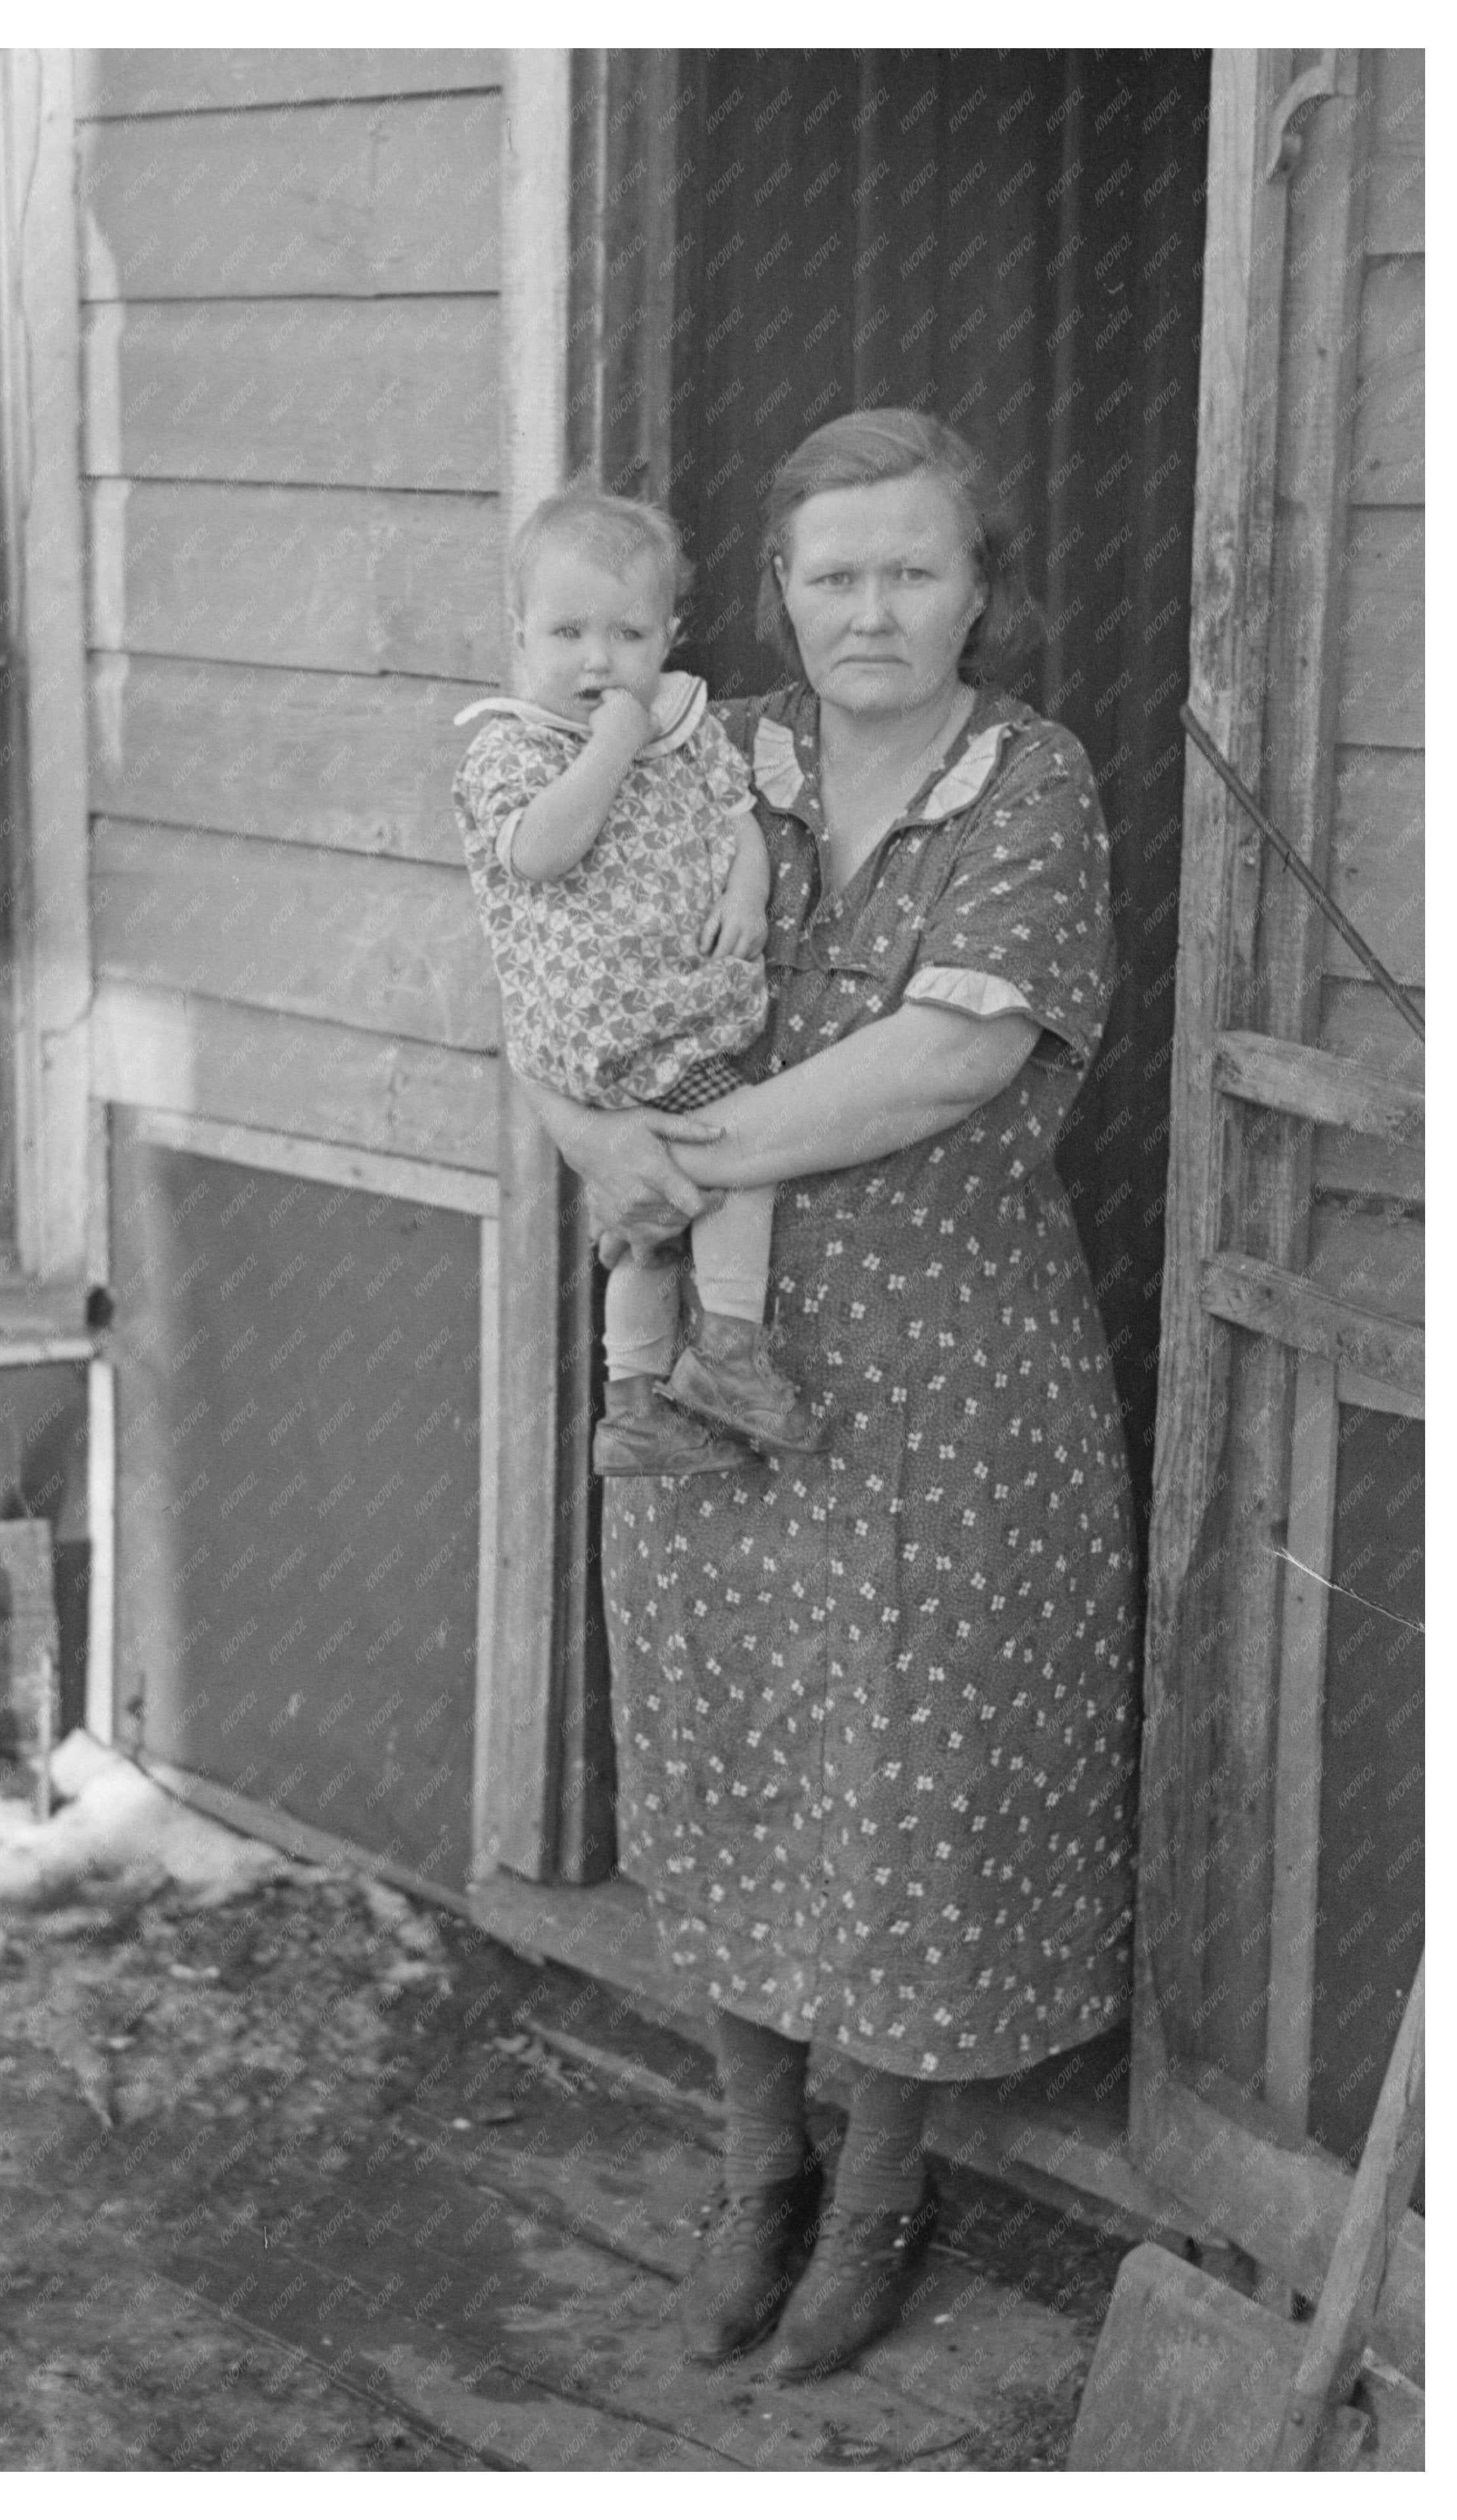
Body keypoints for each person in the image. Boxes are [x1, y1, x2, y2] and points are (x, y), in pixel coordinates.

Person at [514, 411, 1141, 2381]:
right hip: (708, 1365)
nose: (871, 607)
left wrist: (666, 1152)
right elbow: (528, 951)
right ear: (771, 588)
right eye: (831, 571)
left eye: (913, 568)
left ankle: (877, 2186)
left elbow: (944, 1067)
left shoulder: (1029, 781)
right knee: (722, 1737)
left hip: (948, 1375)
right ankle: (750, 2170)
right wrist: (572, 1120)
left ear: (980, 584)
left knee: (902, 1774)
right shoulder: (697, 751)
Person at [454, 484, 825, 1477]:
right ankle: (732, 1355)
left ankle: (635, 1403)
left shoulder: (687, 727)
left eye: (627, 633)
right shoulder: (509, 748)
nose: (597, 660)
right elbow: (540, 853)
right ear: (520, 634)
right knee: (735, 1160)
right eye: (567, 630)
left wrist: (747, 892)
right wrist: (614, 744)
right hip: (611, 1034)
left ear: (669, 633)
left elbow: (732, 813)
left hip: (668, 1014)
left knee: (646, 1228)